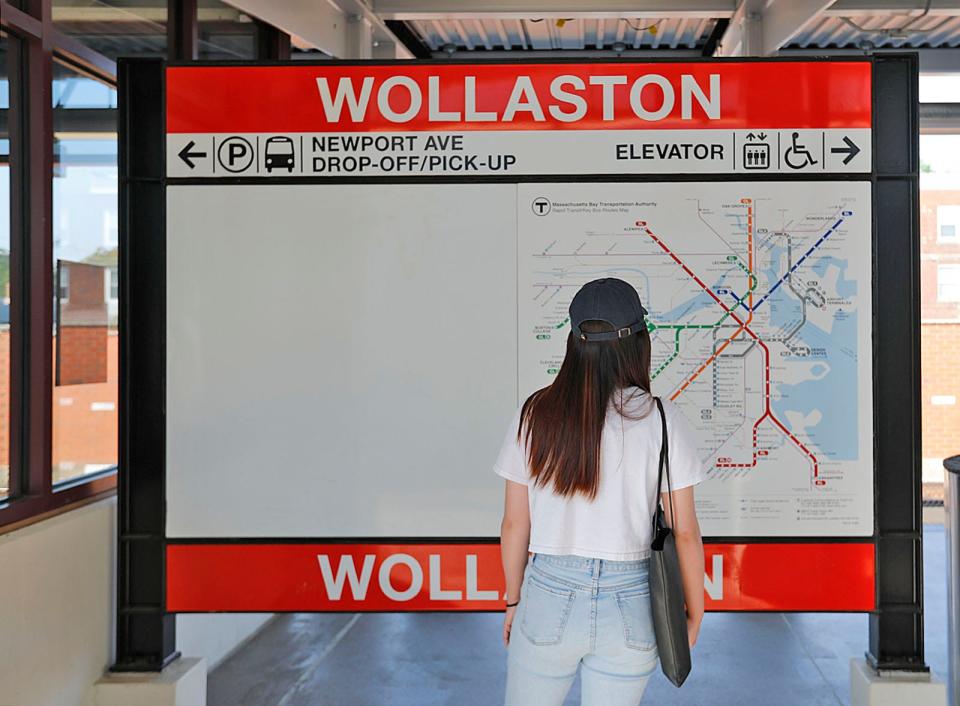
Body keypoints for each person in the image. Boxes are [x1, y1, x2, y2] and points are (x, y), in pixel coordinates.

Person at [494, 277, 706, 706]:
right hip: (632, 600)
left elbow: (516, 523)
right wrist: (695, 610)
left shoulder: (536, 413)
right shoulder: (663, 419)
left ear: (573, 341)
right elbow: (684, 532)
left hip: (549, 592)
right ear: (638, 343)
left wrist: (514, 600)